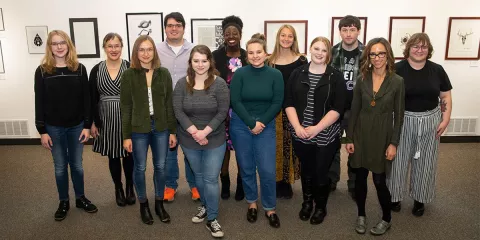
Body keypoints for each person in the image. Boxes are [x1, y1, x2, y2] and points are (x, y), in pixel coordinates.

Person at [34, 30, 98, 221]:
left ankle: (80, 198)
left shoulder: (79, 68)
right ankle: (64, 201)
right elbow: (39, 102)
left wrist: (87, 125)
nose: (59, 47)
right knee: (60, 167)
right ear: (50, 47)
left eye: (63, 42)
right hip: (53, 128)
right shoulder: (43, 71)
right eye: (55, 44)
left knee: (77, 166)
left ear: (68, 45)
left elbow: (87, 100)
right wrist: (42, 130)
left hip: (77, 126)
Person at [387, 33, 453, 217]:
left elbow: (445, 95)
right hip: (403, 120)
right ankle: (395, 196)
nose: (419, 50)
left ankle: (419, 198)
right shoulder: (396, 69)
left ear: (429, 50)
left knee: (425, 162)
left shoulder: (437, 70)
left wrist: (445, 119)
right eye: (415, 46)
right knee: (398, 161)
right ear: (408, 49)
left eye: (424, 47)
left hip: (430, 121)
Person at [345, 37, 405, 235]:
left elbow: (399, 116)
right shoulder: (362, 78)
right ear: (368, 56)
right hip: (361, 133)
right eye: (373, 54)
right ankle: (361, 214)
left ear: (388, 55)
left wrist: (393, 143)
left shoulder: (397, 82)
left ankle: (386, 218)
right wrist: (349, 138)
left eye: (381, 53)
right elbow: (354, 110)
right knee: (360, 178)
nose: (377, 58)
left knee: (379, 181)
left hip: (383, 136)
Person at [284, 37, 346, 224]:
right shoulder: (297, 73)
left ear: (329, 54)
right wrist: (297, 127)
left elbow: (338, 108)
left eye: (324, 50)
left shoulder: (335, 76)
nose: (319, 53)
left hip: (325, 134)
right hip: (301, 133)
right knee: (307, 170)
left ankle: (320, 207)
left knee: (321, 171)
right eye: (316, 48)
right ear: (309, 49)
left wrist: (317, 128)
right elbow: (289, 102)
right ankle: (307, 202)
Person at [173, 45, 229, 238]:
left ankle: (212, 218)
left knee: (211, 178)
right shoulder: (182, 83)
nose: (200, 64)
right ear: (190, 62)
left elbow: (223, 111)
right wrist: (195, 133)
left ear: (210, 62)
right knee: (198, 175)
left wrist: (204, 132)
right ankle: (205, 206)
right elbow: (178, 110)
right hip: (189, 139)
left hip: (214, 137)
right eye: (196, 60)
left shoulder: (219, 83)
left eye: (204, 60)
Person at [120, 35, 176, 225]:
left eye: (149, 49)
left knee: (161, 166)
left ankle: (159, 203)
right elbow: (126, 107)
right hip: (138, 128)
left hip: (161, 127)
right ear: (136, 52)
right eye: (141, 49)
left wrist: (173, 131)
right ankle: (144, 204)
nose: (146, 53)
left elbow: (169, 104)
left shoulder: (164, 73)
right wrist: (126, 136)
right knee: (140, 167)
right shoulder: (129, 75)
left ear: (154, 51)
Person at [229, 33, 283, 228]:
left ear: (266, 53)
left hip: (266, 125)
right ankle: (252, 202)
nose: (254, 56)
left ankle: (270, 207)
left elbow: (277, 102)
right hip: (241, 125)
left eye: (258, 52)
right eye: (250, 53)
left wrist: (261, 123)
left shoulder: (275, 75)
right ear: (246, 56)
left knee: (267, 169)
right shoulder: (240, 74)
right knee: (247, 167)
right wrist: (251, 123)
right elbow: (235, 101)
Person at [90, 33, 135, 207]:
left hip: (127, 117)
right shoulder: (96, 69)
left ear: (121, 47)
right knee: (113, 156)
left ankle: (130, 186)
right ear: (104, 48)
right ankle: (118, 188)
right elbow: (92, 98)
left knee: (129, 154)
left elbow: (137, 96)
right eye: (110, 46)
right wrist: (93, 122)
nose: (113, 49)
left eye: (117, 45)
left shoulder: (130, 67)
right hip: (106, 119)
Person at [156, 12, 198, 202]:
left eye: (178, 25)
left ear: (183, 27)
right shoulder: (156, 50)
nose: (174, 28)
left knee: (191, 149)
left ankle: (195, 185)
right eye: (170, 25)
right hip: (165, 109)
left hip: (189, 107)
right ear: (165, 28)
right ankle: (170, 186)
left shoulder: (194, 50)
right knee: (169, 150)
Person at [267, 24, 307, 199]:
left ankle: (287, 181)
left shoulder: (302, 60)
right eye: (283, 35)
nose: (286, 39)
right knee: (274, 148)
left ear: (294, 39)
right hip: (273, 112)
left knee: (290, 148)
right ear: (278, 37)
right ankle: (276, 182)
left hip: (294, 111)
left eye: (290, 36)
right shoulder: (269, 61)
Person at [329, 15, 365, 198]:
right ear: (340, 31)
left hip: (359, 108)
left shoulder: (367, 53)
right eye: (345, 30)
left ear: (358, 30)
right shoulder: (332, 52)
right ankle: (332, 180)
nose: (348, 33)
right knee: (332, 145)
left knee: (355, 146)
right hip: (336, 108)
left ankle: (354, 182)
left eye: (352, 29)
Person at [212, 15, 247, 201]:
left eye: (235, 33)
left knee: (242, 149)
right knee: (223, 149)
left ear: (240, 34)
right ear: (223, 36)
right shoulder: (216, 56)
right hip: (221, 110)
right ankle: (225, 182)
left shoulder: (248, 56)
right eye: (227, 33)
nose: (231, 36)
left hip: (242, 111)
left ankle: (241, 183)